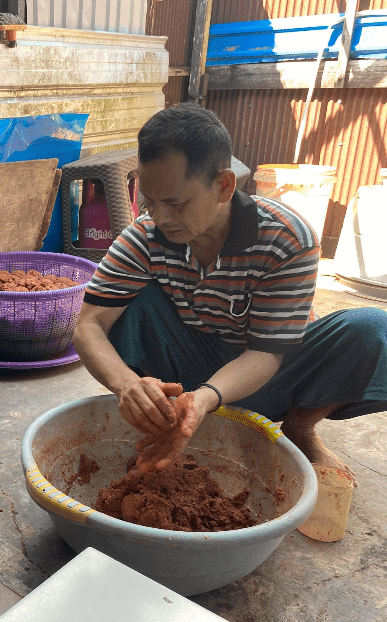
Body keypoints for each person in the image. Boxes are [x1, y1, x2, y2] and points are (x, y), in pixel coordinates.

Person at [72, 102, 387, 484]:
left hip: (272, 372)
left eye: (174, 202)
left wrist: (206, 398)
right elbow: (88, 326)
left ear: (223, 186)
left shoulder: (286, 239)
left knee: (372, 327)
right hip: (188, 363)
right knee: (129, 304)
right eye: (149, 200)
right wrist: (127, 385)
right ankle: (167, 415)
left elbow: (265, 353)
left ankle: (300, 427)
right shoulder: (144, 236)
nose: (159, 217)